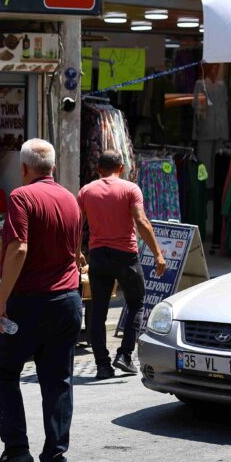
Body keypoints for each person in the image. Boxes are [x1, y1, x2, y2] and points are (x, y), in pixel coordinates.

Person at [0, 139, 82, 462]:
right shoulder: (70, 198)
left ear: (24, 169)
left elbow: (19, 248)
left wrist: (1, 303)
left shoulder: (21, 197)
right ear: (53, 168)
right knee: (58, 382)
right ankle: (54, 461)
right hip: (67, 299)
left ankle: (16, 446)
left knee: (1, 369)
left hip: (29, 301)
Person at [78, 150, 167, 380]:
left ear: (99, 169)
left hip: (98, 256)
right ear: (121, 167)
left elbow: (76, 224)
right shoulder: (130, 189)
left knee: (98, 310)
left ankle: (102, 365)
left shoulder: (87, 190)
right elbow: (141, 221)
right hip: (125, 256)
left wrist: (77, 251)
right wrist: (158, 253)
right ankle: (125, 355)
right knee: (136, 304)